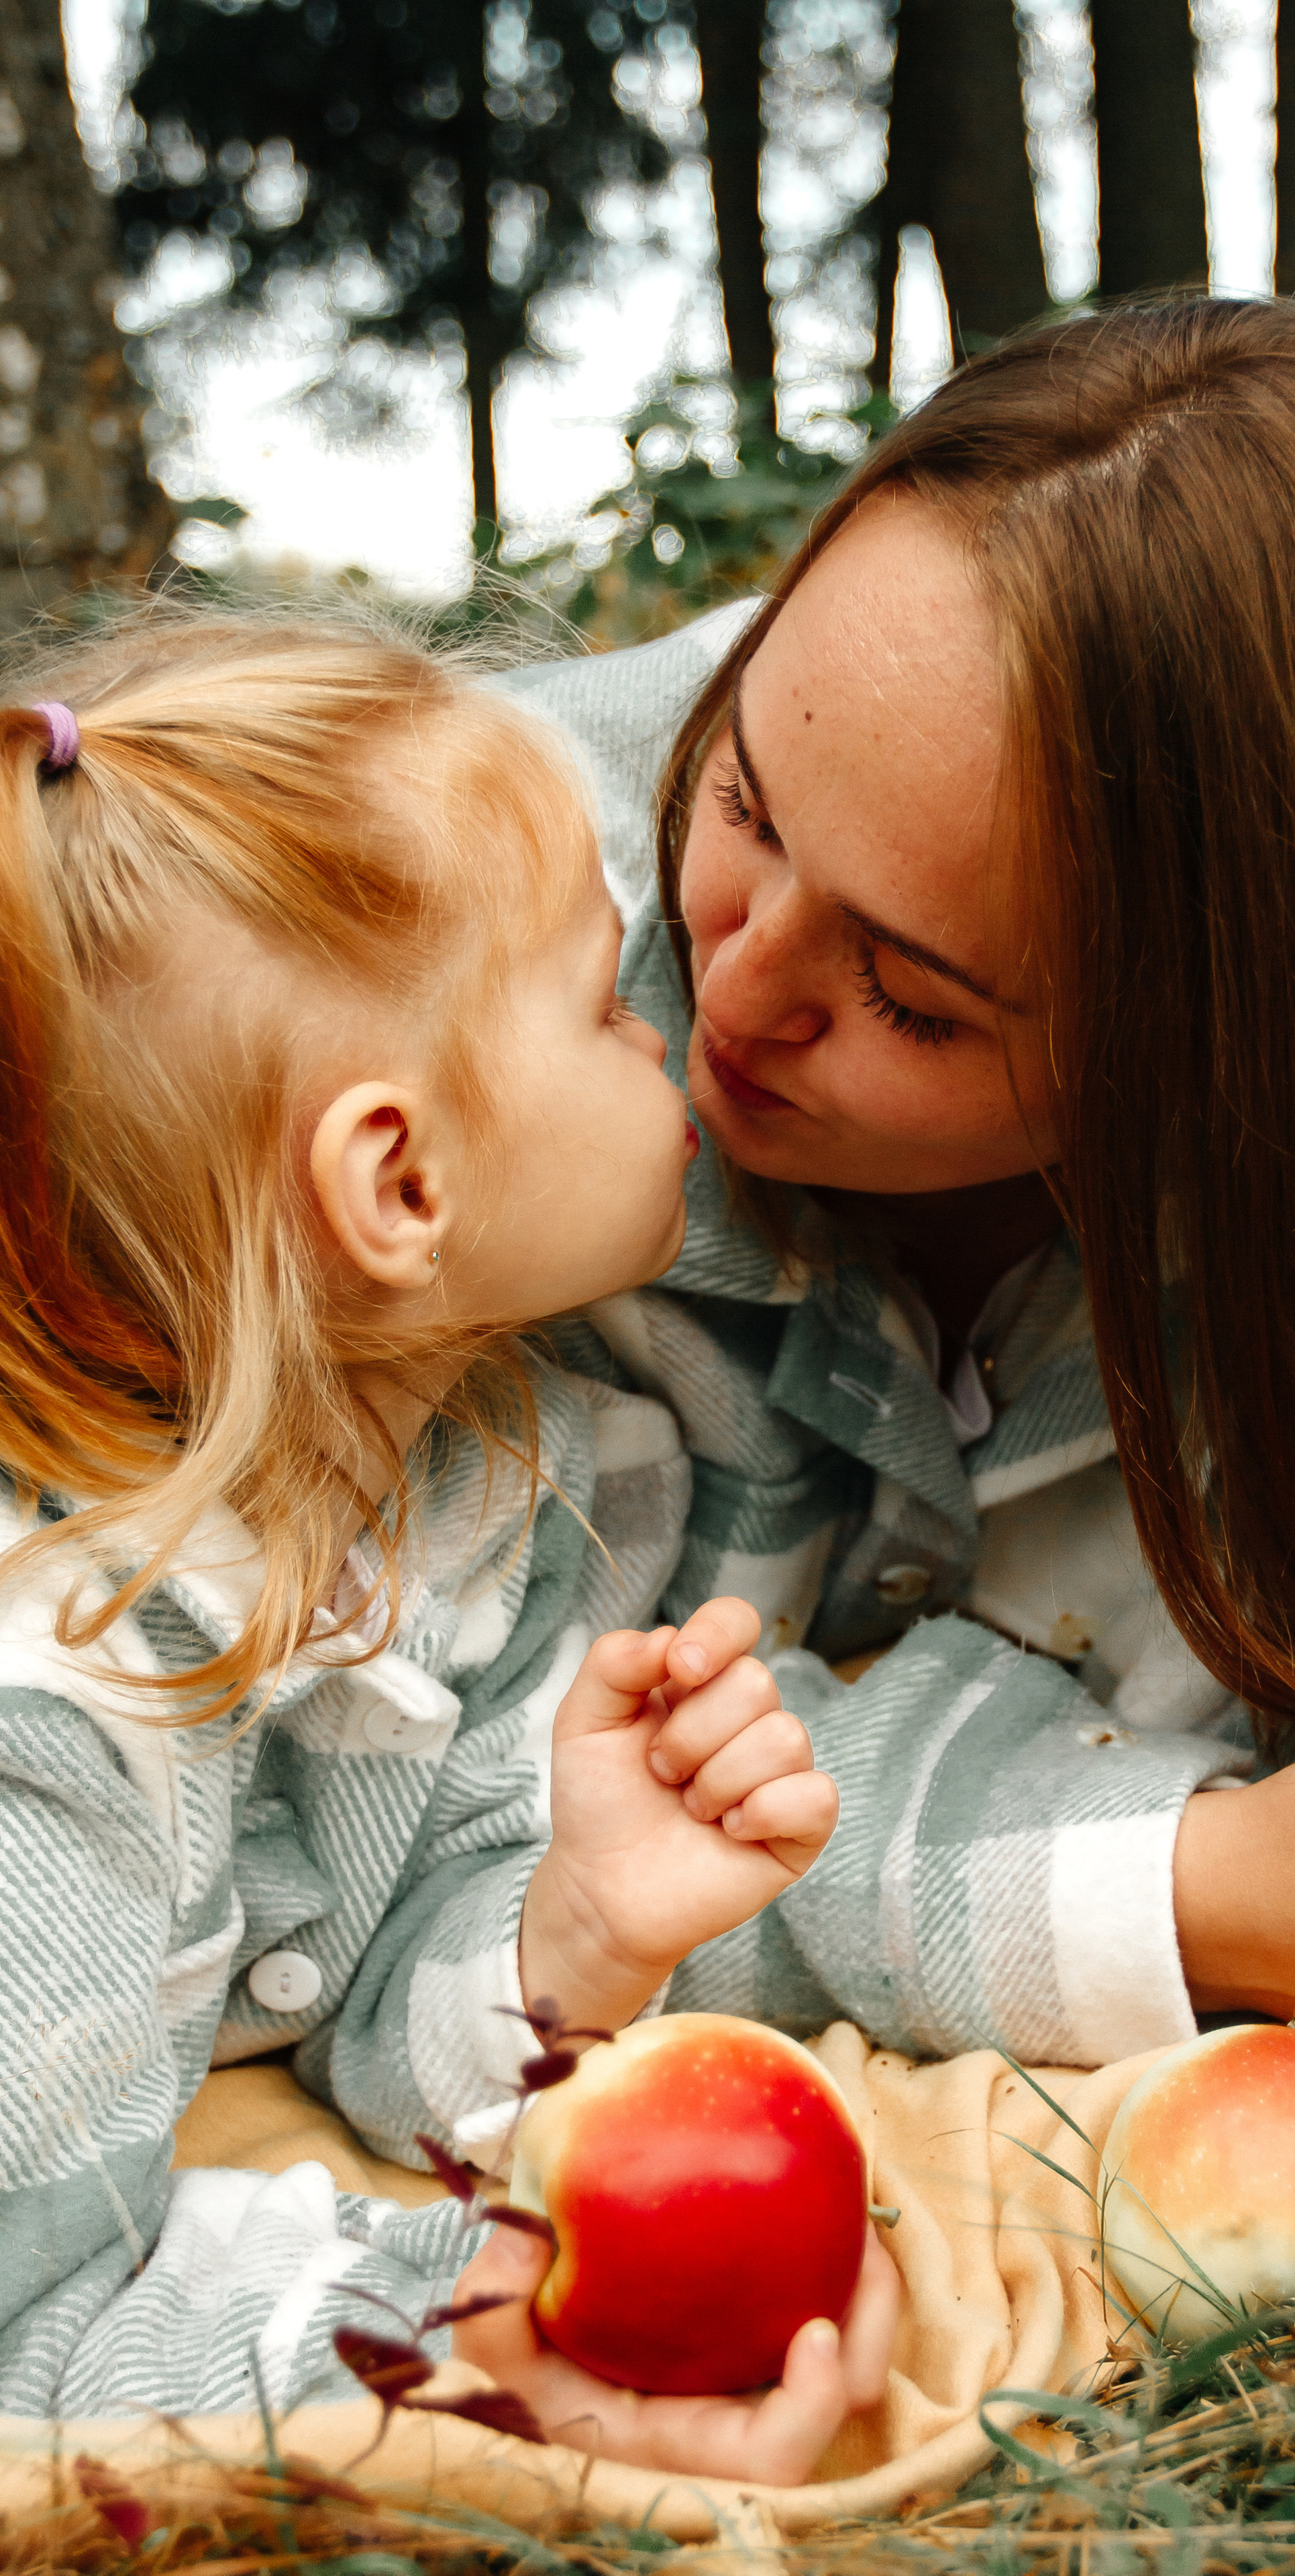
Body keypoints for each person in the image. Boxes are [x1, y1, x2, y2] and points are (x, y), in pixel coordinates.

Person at [505, 295, 1295, 2103]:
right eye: (744, 799)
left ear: (1248, 1073)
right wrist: (1204, 1889)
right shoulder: (436, 987)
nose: (732, 998)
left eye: (918, 998)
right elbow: (425, 1830)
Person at [0, 614, 896, 2473]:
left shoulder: (494, 1494)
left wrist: (565, 1930)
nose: (672, 1019)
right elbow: (29, 2338)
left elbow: (383, 2010)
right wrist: (472, 2338)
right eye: (597, 998)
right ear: (400, 1185)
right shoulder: (48, 1715)